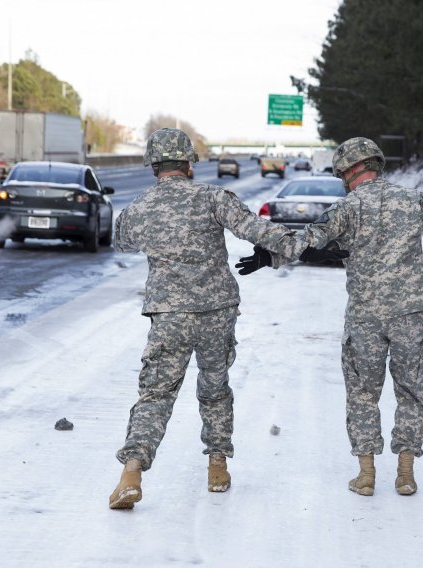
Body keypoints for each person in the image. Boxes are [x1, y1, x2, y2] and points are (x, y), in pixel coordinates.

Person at [236, 137, 423, 496]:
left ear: (348, 171)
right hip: (414, 311)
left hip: (366, 316)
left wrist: (272, 254)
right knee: (412, 392)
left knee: (363, 394)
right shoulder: (415, 200)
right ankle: (406, 474)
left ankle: (366, 475)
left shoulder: (347, 208)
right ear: (377, 163)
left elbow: (310, 242)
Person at [109, 128, 343, 510]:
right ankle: (217, 467)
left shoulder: (138, 209)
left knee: (155, 394)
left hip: (169, 314)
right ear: (188, 163)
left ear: (154, 167)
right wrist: (294, 249)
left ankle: (131, 472)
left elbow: (123, 240)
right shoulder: (214, 197)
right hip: (217, 310)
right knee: (215, 387)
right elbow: (260, 231)